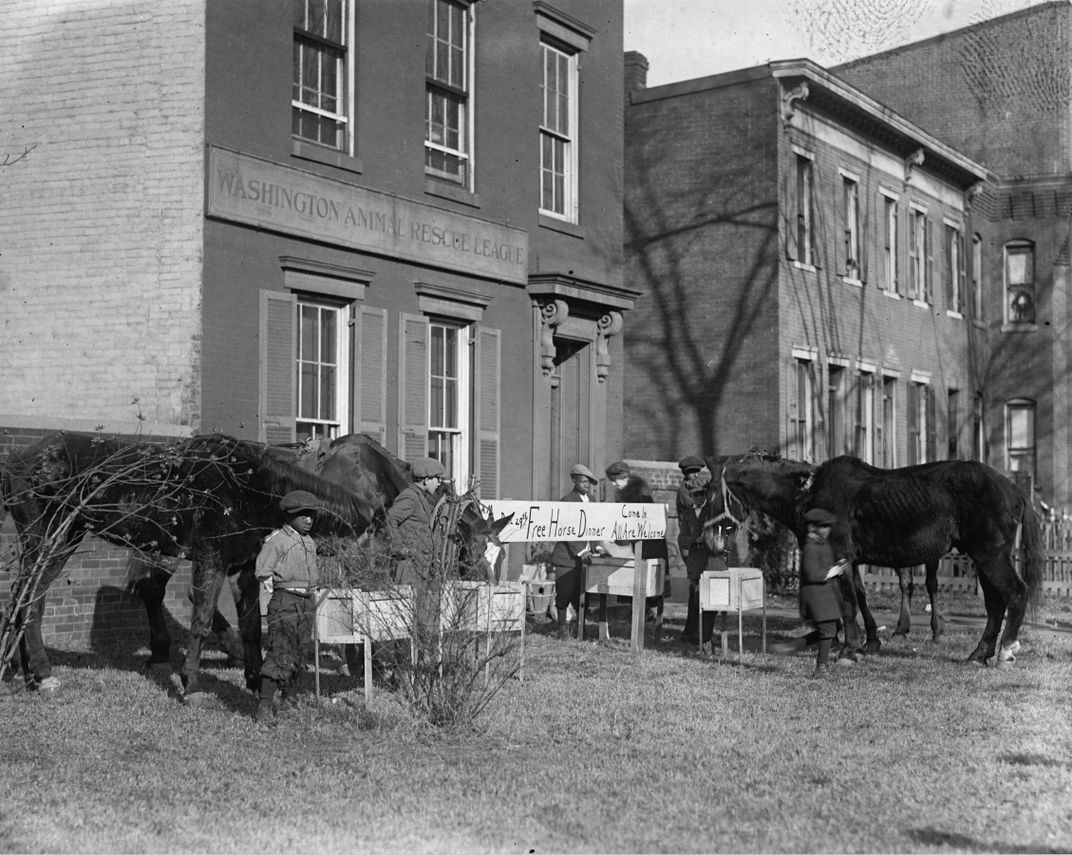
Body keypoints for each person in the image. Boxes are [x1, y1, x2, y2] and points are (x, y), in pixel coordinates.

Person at [253, 490, 322, 722]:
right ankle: (264, 707)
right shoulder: (278, 541)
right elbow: (262, 571)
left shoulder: (309, 542)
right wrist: (276, 593)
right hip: (285, 602)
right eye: (303, 516)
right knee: (280, 652)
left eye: (311, 515)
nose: (308, 520)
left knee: (299, 652)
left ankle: (286, 701)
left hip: (305, 603)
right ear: (290, 516)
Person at [773, 507, 848, 677]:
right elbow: (812, 573)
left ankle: (790, 647)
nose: (827, 530)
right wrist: (833, 571)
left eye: (828, 526)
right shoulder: (810, 547)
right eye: (823, 526)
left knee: (832, 629)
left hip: (826, 597)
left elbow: (827, 565)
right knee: (828, 630)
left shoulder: (823, 544)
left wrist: (840, 566)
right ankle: (821, 668)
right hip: (816, 598)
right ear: (813, 528)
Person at [385, 456, 447, 655]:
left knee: (418, 617)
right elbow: (390, 519)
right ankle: (403, 668)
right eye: (437, 478)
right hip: (408, 567)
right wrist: (400, 548)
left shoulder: (420, 497)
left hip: (419, 566)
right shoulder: (410, 497)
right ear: (426, 479)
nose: (439, 483)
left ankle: (413, 663)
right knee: (405, 619)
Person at [605, 460, 670, 624]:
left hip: (650, 541)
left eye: (615, 479)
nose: (613, 483)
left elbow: (646, 515)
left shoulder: (639, 489)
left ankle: (652, 613)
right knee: (634, 577)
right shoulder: (621, 493)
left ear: (624, 476)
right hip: (634, 541)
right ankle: (642, 612)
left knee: (651, 578)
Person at [550, 464, 602, 640]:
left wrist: (597, 547)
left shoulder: (592, 501)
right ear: (574, 480)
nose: (586, 485)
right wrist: (581, 551)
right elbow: (567, 530)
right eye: (583, 482)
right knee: (564, 593)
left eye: (589, 483)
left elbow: (593, 527)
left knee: (582, 597)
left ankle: (581, 630)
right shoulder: (567, 501)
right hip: (568, 557)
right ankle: (562, 630)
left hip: (586, 558)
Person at [677, 469, 713, 643]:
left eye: (701, 494)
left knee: (708, 598)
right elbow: (682, 539)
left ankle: (704, 635)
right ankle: (690, 633)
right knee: (694, 598)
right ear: (690, 496)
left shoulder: (711, 513)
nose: (699, 497)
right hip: (694, 561)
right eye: (695, 495)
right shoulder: (687, 515)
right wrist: (695, 540)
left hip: (709, 560)